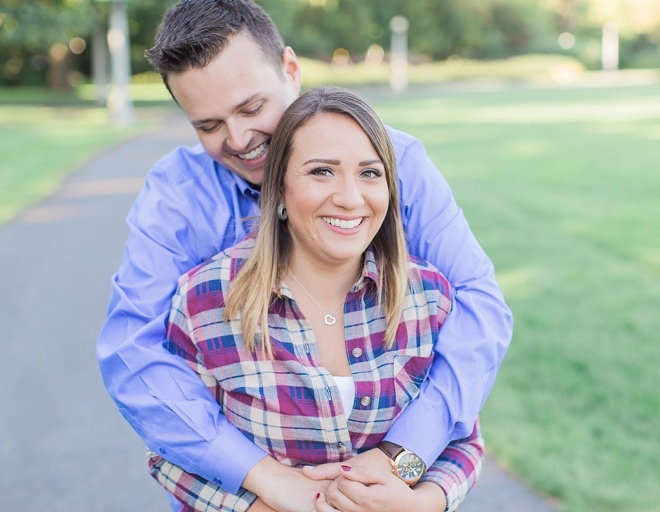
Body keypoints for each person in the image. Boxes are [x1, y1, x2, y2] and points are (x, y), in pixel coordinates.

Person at [96, 0, 512, 510]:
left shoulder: (393, 163)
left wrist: (404, 460)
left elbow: (477, 306)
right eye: (208, 125)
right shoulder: (177, 199)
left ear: (290, 70)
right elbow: (132, 353)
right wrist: (263, 484)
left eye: (252, 108)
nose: (240, 139)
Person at [148, 86, 484, 512]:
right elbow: (168, 449)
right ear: (281, 188)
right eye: (322, 171)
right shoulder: (206, 301)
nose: (349, 198)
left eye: (369, 173)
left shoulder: (429, 297)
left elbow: (462, 436)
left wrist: (423, 503)